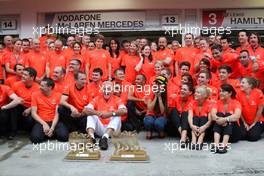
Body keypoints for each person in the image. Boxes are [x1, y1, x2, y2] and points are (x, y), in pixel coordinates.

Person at [84, 81, 127, 150]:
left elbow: (124, 111)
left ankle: (105, 138)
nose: (106, 91)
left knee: (116, 115)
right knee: (91, 115)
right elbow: (85, 110)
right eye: (104, 89)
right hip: (101, 127)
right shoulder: (97, 98)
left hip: (113, 130)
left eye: (109, 89)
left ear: (112, 90)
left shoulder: (117, 99)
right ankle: (91, 138)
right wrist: (97, 113)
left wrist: (110, 114)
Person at [30, 78, 69, 143]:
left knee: (64, 137)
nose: (40, 87)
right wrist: (44, 124)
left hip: (54, 121)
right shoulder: (35, 95)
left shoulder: (58, 95)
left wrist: (52, 128)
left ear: (49, 87)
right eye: (40, 85)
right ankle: (47, 133)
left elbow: (57, 114)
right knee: (35, 139)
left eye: (42, 86)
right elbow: (33, 113)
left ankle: (49, 133)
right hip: (41, 121)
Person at [211, 84, 241, 153]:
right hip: (220, 133)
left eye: (223, 91)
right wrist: (219, 119)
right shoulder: (217, 102)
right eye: (220, 91)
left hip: (233, 134)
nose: (221, 93)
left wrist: (225, 119)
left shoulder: (236, 103)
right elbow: (213, 115)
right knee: (219, 114)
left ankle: (224, 145)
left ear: (230, 93)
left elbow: (237, 116)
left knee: (228, 115)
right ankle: (216, 144)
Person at [10, 67, 39, 138]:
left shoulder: (38, 88)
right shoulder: (16, 85)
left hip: (31, 108)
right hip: (19, 106)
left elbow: (39, 104)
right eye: (22, 74)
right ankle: (13, 131)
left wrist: (30, 109)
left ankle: (30, 131)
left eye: (25, 75)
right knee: (13, 107)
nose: (22, 76)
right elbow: (11, 99)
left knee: (29, 120)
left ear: (32, 77)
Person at [237, 77, 264, 141]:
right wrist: (244, 123)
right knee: (241, 136)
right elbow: (239, 110)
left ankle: (258, 129)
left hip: (257, 120)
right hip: (244, 120)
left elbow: (260, 110)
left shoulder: (258, 92)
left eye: (243, 83)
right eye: (241, 82)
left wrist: (254, 123)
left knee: (253, 137)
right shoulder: (239, 93)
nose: (241, 84)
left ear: (250, 85)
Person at [188, 86, 212, 150]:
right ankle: (193, 141)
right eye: (195, 92)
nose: (195, 93)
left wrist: (203, 127)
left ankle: (200, 141)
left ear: (204, 95)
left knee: (203, 118)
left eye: (198, 92)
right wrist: (191, 125)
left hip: (206, 127)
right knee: (195, 117)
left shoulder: (209, 103)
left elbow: (210, 120)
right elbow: (190, 116)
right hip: (194, 127)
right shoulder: (192, 103)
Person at [171, 83, 194, 147]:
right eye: (181, 89)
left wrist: (181, 114)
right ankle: (183, 135)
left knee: (185, 113)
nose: (182, 90)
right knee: (173, 110)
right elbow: (172, 115)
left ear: (190, 93)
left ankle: (183, 138)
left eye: (184, 89)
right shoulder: (176, 98)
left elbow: (188, 115)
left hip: (187, 125)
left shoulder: (192, 101)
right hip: (177, 125)